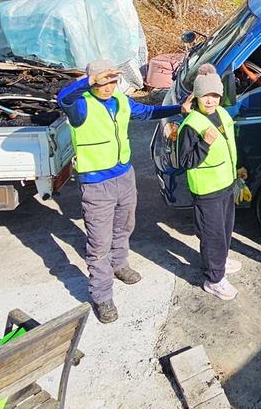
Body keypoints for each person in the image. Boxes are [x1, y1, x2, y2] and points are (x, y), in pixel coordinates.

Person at [57, 59, 190, 323]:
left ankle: (119, 264)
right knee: (99, 243)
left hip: (124, 176)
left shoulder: (120, 100)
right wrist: (89, 81)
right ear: (92, 81)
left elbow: (147, 112)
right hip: (97, 184)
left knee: (124, 226)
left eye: (111, 80)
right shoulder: (81, 105)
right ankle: (102, 296)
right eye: (102, 81)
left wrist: (179, 109)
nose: (107, 86)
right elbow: (62, 98)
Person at [175, 64, 241, 301]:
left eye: (215, 95)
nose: (211, 100)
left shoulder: (221, 113)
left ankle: (220, 262)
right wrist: (205, 143)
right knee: (212, 234)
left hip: (225, 183)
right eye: (205, 96)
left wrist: (236, 171)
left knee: (224, 230)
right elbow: (184, 160)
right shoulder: (191, 125)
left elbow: (228, 144)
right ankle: (214, 279)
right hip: (207, 189)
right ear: (197, 97)